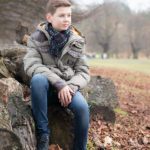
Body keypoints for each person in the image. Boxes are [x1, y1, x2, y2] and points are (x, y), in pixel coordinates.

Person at [23, 0, 90, 150]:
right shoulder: (36, 38)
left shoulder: (77, 41)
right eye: (61, 15)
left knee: (83, 108)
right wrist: (59, 83)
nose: (66, 19)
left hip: (69, 90)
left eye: (69, 15)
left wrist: (71, 87)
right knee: (38, 79)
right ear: (49, 17)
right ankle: (43, 136)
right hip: (44, 91)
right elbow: (32, 65)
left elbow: (83, 72)